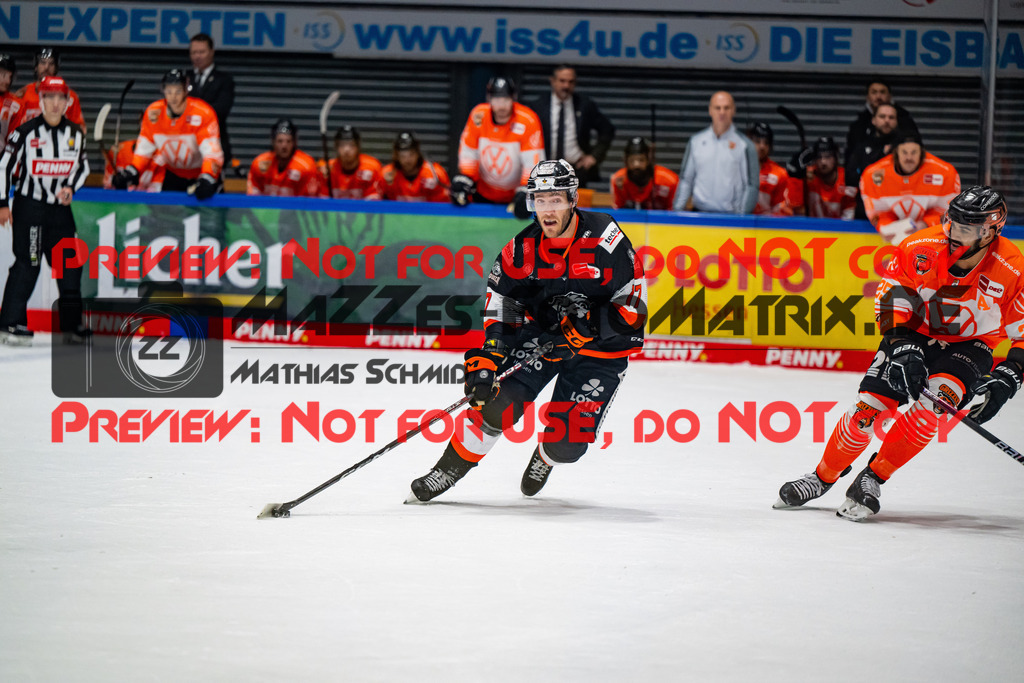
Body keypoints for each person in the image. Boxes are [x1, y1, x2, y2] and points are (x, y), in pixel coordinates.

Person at [774, 186, 1024, 521]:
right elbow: (890, 297)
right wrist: (901, 345)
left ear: (991, 230)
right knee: (868, 410)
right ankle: (821, 478)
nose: (954, 233)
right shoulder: (920, 246)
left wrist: (1010, 376)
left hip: (970, 345)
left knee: (932, 407)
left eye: (966, 228)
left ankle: (872, 478)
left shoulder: (1013, 269)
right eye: (952, 223)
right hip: (913, 334)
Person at [408, 160, 647, 502]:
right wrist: (491, 355)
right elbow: (502, 302)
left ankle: (546, 457)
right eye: (540, 200)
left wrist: (591, 327)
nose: (547, 210)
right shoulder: (521, 249)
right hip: (545, 336)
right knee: (496, 402)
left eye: (556, 200)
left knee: (566, 446)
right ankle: (445, 471)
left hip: (601, 350)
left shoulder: (606, 240)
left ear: (573, 199)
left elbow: (634, 306)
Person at [0, 76, 90, 346]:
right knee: (29, 264)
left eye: (59, 98)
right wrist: (3, 203)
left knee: (70, 266)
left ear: (67, 102)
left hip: (60, 211)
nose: (54, 103)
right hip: (31, 208)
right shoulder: (24, 132)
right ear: (40, 100)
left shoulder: (75, 133)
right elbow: (3, 166)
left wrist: (70, 188)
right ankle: (9, 324)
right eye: (48, 97)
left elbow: (82, 168)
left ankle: (72, 326)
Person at [112, 69, 224, 199]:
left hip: (202, 175)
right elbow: (144, 149)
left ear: (186, 91)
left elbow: (212, 152)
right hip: (172, 175)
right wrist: (132, 171)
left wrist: (208, 176)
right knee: (167, 217)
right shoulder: (153, 113)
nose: (173, 96)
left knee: (211, 214)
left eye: (178, 91)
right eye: (169, 91)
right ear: (163, 90)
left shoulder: (203, 113)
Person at [452, 76, 544, 213]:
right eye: (496, 99)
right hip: (483, 192)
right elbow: (468, 150)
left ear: (514, 98)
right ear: (489, 99)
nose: (501, 106)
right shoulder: (479, 115)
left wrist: (527, 189)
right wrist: (466, 177)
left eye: (506, 100)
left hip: (516, 196)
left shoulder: (528, 120)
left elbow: (533, 160)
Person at [860, 131, 961, 244]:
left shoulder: (945, 173)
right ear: (896, 153)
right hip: (893, 242)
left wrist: (926, 224)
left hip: (933, 239)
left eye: (914, 152)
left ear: (922, 153)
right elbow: (878, 213)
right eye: (904, 152)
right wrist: (886, 226)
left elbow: (948, 212)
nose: (909, 157)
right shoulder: (872, 175)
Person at [526, 64, 615, 189]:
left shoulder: (584, 105)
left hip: (576, 170)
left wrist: (594, 156)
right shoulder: (538, 106)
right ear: (553, 81)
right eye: (562, 81)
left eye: (570, 82)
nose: (566, 86)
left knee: (576, 207)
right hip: (545, 171)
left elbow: (607, 129)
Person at [672, 91, 758, 214]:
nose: (722, 112)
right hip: (700, 216)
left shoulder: (745, 145)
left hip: (731, 219)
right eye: (717, 108)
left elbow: (751, 185)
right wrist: (677, 212)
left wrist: (741, 218)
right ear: (710, 110)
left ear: (733, 110)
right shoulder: (696, 142)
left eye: (726, 108)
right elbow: (686, 180)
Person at [844, 78, 918, 177]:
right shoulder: (858, 126)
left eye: (882, 92)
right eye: (874, 92)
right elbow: (851, 162)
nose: (878, 96)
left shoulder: (905, 122)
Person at [844, 102, 900, 220]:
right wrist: (880, 156)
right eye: (882, 116)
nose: (887, 121)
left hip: (897, 213)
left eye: (891, 117)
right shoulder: (861, 147)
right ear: (873, 120)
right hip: (865, 211)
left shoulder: (904, 149)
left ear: (896, 121)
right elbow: (850, 177)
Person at [12, 48, 86, 134]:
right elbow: (14, 128)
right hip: (31, 144)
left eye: (51, 64)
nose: (46, 67)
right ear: (36, 66)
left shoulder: (70, 96)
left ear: (56, 68)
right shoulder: (22, 94)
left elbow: (80, 129)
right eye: (43, 63)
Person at [188, 33, 235, 166]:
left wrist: (192, 114)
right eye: (194, 52)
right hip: (187, 147)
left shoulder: (224, 80)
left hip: (214, 144)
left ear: (212, 52)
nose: (197, 56)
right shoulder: (184, 78)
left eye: (201, 52)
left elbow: (221, 109)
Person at [246, 118, 323, 197]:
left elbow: (307, 203)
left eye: (288, 141)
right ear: (273, 142)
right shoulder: (259, 163)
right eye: (280, 141)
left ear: (294, 143)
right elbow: (253, 198)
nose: (284, 146)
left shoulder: (306, 167)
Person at [787, 137, 855, 220]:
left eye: (828, 157)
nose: (823, 162)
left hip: (839, 230)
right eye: (819, 157)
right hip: (811, 229)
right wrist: (797, 173)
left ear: (836, 158)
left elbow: (849, 218)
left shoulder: (847, 179)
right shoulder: (808, 179)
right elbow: (796, 211)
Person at [609, 136, 678, 210]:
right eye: (631, 160)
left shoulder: (669, 180)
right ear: (625, 161)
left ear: (648, 160)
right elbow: (618, 211)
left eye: (641, 160)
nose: (636, 165)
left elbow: (674, 212)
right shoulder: (619, 180)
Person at [102, 111, 164, 192]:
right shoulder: (119, 150)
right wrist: (115, 183)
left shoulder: (160, 158)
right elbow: (107, 186)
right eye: (146, 122)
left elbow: (155, 193)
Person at [381, 131, 450, 202]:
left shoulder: (435, 173)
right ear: (396, 156)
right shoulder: (386, 174)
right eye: (402, 156)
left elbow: (446, 202)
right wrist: (387, 186)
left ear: (418, 153)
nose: (407, 160)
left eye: (411, 154)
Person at [324, 125, 384, 200]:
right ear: (336, 147)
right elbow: (322, 202)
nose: (346, 150)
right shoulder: (327, 169)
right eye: (342, 145)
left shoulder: (372, 168)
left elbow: (373, 204)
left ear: (358, 147)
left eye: (351, 145)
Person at [747, 122, 791, 217]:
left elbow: (783, 211)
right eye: (757, 141)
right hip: (739, 226)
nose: (762, 146)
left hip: (767, 228)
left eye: (766, 143)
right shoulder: (737, 169)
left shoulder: (780, 174)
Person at [0, 53, 22, 143]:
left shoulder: (16, 105)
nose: (7, 81)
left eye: (10, 76)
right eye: (3, 75)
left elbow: (15, 139)